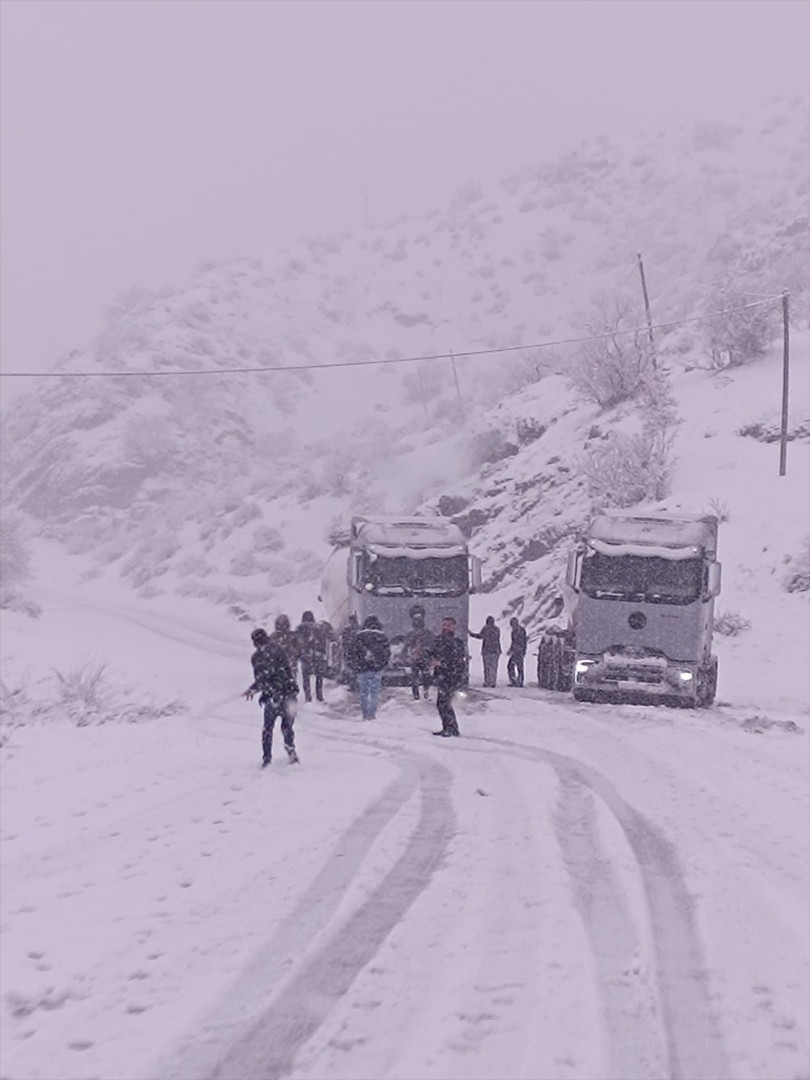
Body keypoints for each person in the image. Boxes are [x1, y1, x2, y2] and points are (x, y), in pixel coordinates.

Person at [243, 628, 300, 767]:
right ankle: (290, 752)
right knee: (287, 726)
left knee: (268, 728)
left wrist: (255, 688)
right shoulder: (277, 650)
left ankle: (267, 759)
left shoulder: (257, 657)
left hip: (272, 697)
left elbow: (262, 678)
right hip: (287, 694)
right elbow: (283, 673)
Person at [427, 616, 467, 736]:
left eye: (448, 625)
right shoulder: (438, 641)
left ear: (454, 627)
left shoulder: (457, 643)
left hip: (452, 676)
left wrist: (442, 663)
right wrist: (428, 659)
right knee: (442, 702)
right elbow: (430, 653)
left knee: (444, 702)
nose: (446, 628)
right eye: (444, 625)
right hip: (441, 676)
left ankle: (451, 728)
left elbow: (457, 660)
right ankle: (448, 727)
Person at [350, 615, 391, 720]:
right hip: (376, 669)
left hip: (362, 669)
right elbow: (387, 653)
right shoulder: (382, 636)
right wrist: (382, 664)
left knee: (363, 692)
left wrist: (355, 665)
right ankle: (372, 714)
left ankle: (364, 713)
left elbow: (353, 652)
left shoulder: (359, 636)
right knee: (374, 692)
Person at [295, 610, 328, 703]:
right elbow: (323, 642)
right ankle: (319, 695)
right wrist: (322, 652)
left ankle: (308, 696)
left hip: (305, 656)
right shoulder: (319, 629)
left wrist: (299, 654)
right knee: (319, 677)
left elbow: (297, 643)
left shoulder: (300, 629)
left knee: (306, 678)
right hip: (318, 656)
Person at [403, 604, 435, 700]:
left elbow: (406, 645)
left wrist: (406, 654)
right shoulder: (428, 633)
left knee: (415, 677)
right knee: (425, 676)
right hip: (425, 657)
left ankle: (416, 694)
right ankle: (425, 691)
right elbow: (433, 645)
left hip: (415, 658)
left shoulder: (411, 633)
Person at [469, 615, 501, 687]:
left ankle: (487, 682)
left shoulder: (486, 629)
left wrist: (471, 634)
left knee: (487, 667)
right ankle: (493, 682)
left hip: (487, 650)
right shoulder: (497, 629)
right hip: (496, 650)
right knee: (494, 667)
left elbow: (480, 636)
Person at [507, 616, 528, 687]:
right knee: (516, 666)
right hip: (518, 651)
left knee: (513, 666)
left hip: (518, 651)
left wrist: (522, 650)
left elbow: (522, 641)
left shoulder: (519, 631)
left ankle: (516, 681)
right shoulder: (518, 630)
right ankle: (518, 681)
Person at [341, 614, 359, 689]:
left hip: (349, 651)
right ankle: (357, 683)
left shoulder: (347, 629)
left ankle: (352, 684)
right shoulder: (360, 628)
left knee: (350, 668)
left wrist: (344, 650)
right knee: (357, 668)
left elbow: (344, 641)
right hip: (358, 652)